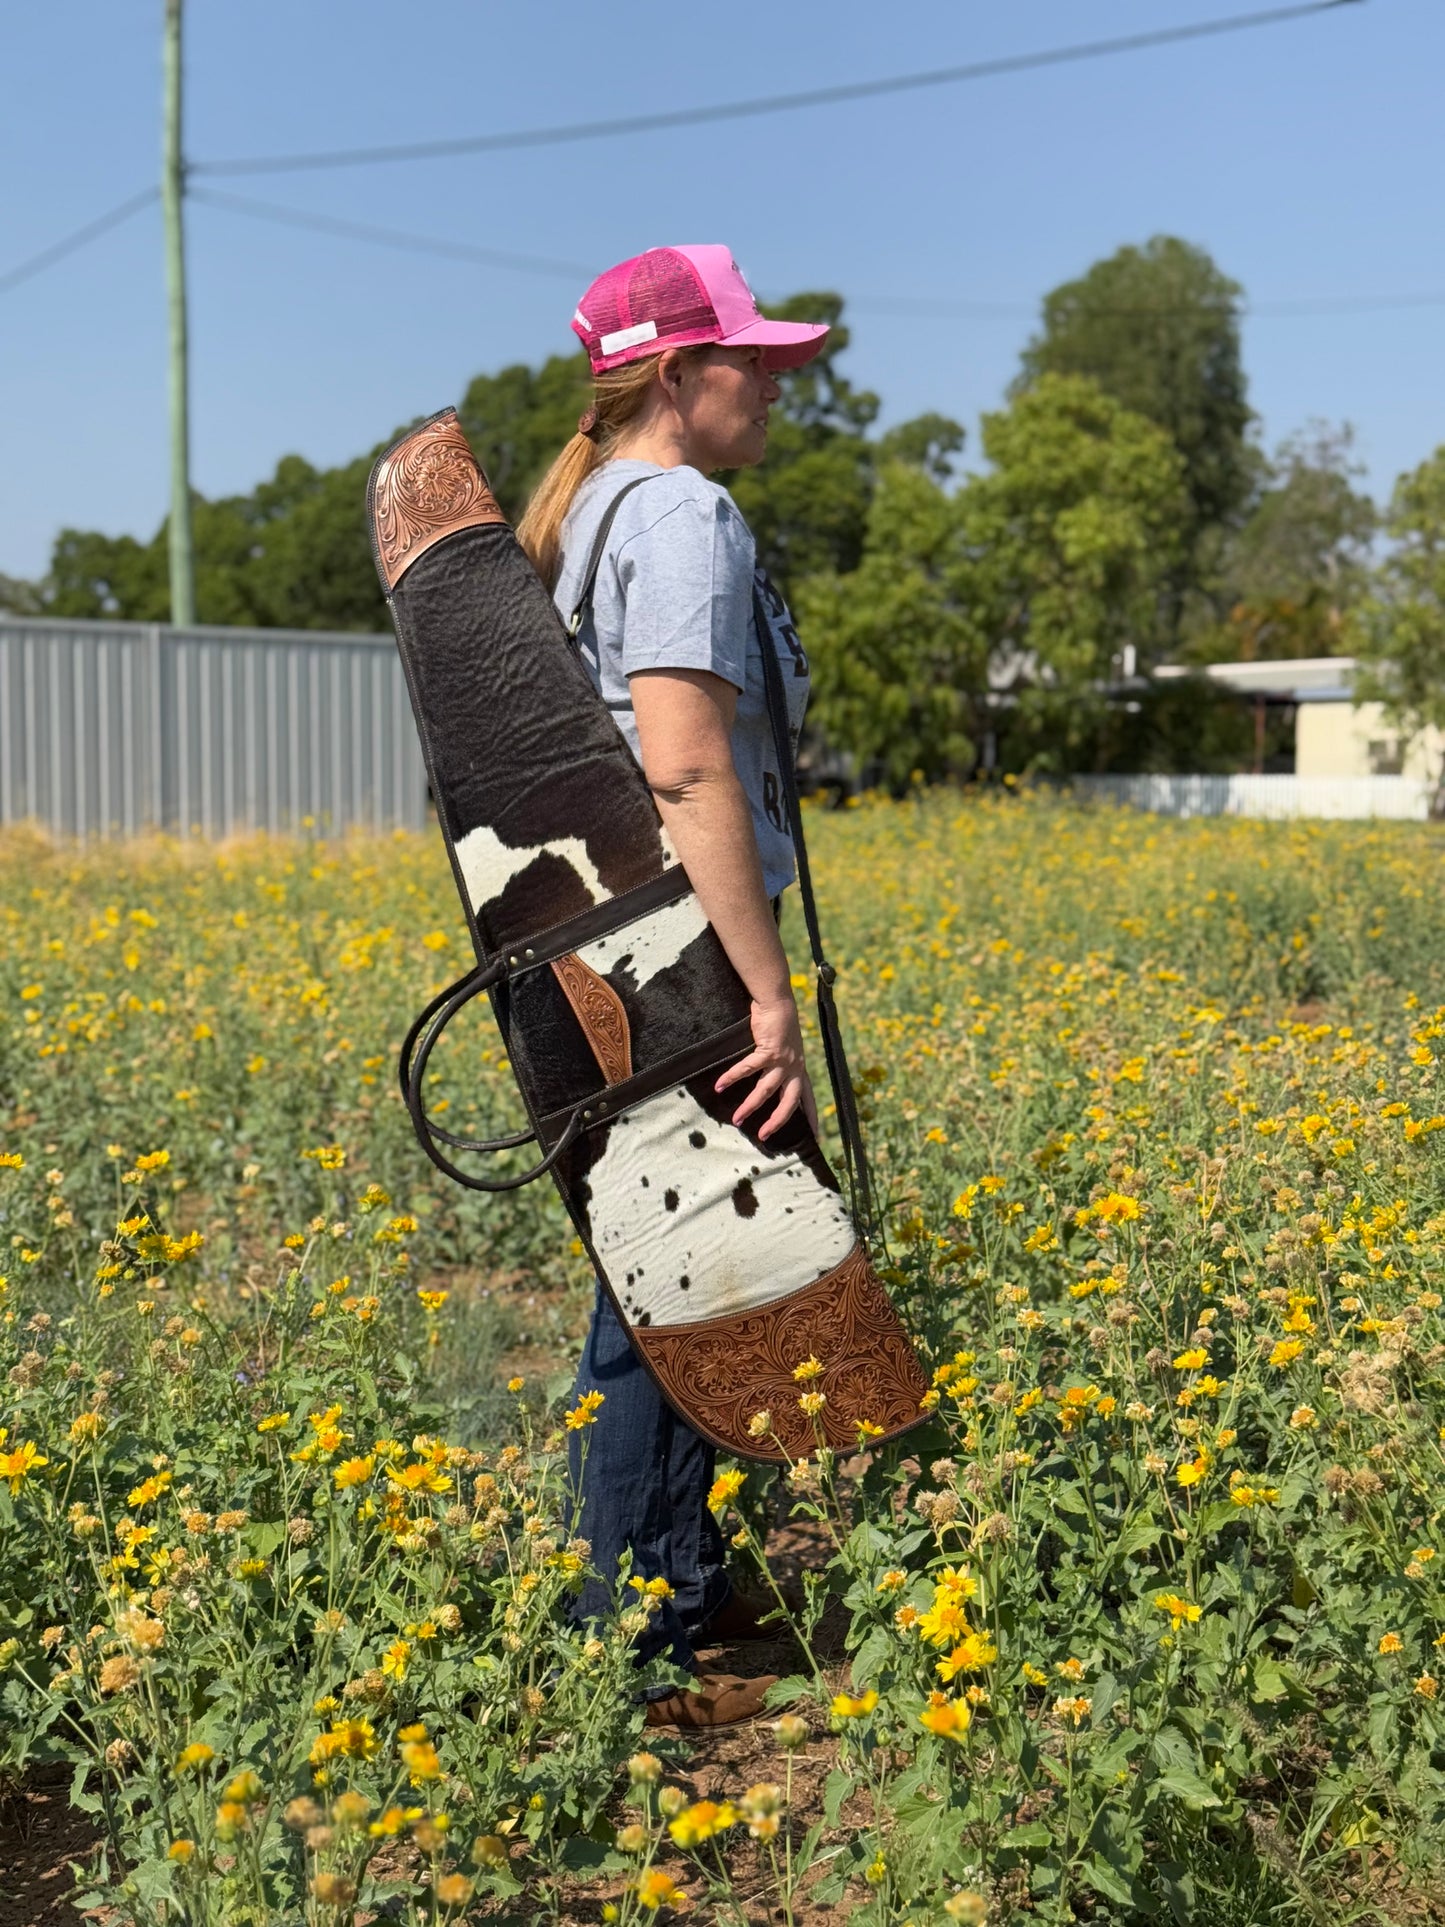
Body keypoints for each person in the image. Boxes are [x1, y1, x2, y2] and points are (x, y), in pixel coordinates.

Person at [515, 246, 830, 1730]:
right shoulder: (684, 514)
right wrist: (763, 998)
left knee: (673, 1257)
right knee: (669, 1282)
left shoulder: (589, 517)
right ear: (675, 373)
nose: (772, 383)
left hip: (617, 943)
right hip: (681, 950)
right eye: (750, 361)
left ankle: (675, 1583)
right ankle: (632, 1648)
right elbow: (687, 762)